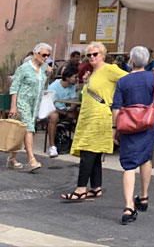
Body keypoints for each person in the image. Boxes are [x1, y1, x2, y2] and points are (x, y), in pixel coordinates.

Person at [63, 42, 128, 201]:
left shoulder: (110, 69)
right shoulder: (93, 72)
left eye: (95, 54)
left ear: (103, 55)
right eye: (89, 55)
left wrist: (120, 102)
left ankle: (80, 189)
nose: (92, 57)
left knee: (87, 152)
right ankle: (96, 187)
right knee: (95, 154)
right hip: (89, 116)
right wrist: (87, 82)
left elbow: (129, 80)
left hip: (99, 117)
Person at [111, 46, 154, 225]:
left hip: (128, 124)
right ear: (149, 61)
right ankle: (143, 196)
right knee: (145, 158)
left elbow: (116, 108)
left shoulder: (123, 81)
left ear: (131, 61)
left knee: (128, 165)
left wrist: (114, 128)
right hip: (149, 123)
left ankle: (128, 206)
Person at [7, 42, 53, 171]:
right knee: (28, 129)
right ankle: (32, 160)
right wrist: (13, 106)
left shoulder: (43, 68)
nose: (46, 58)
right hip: (23, 101)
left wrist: (49, 72)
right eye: (44, 55)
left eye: (48, 56)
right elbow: (14, 87)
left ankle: (11, 159)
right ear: (35, 54)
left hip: (35, 103)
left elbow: (44, 83)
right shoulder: (24, 68)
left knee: (23, 131)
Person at [47, 67, 79, 158]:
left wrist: (71, 108)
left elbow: (72, 100)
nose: (77, 79)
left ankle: (78, 143)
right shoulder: (54, 86)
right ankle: (52, 146)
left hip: (64, 109)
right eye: (75, 77)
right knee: (54, 117)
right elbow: (49, 104)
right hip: (53, 109)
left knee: (80, 114)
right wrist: (64, 112)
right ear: (68, 77)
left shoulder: (72, 86)